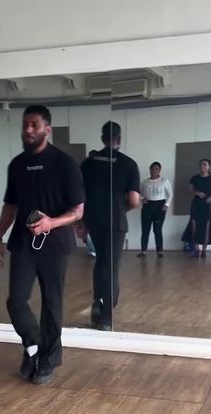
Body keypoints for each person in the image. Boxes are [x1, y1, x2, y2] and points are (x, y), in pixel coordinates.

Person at [0, 105, 84, 385]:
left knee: (52, 304)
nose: (28, 130)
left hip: (55, 245)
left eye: (34, 125)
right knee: (16, 301)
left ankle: (48, 360)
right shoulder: (17, 165)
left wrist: (51, 223)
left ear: (47, 129)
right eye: (25, 125)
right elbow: (11, 205)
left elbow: (78, 211)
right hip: (23, 244)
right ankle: (33, 345)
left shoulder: (64, 164)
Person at [81, 121, 140, 330]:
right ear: (119, 139)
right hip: (116, 221)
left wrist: (81, 223)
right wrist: (120, 209)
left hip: (93, 219)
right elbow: (134, 200)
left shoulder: (88, 164)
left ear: (102, 138)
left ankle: (98, 303)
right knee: (111, 266)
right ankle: (106, 317)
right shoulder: (129, 164)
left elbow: (79, 197)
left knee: (101, 262)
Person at [181, 158, 211, 258]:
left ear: (209, 166)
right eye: (201, 165)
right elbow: (189, 190)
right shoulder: (195, 178)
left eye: (205, 164)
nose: (202, 166)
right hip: (196, 204)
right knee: (194, 226)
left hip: (207, 205)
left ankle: (204, 250)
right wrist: (196, 192)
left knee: (207, 226)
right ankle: (196, 249)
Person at [138, 161, 173, 258]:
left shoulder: (164, 181)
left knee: (157, 230)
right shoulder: (145, 182)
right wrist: (142, 199)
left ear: (159, 170)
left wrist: (166, 205)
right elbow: (139, 193)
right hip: (147, 206)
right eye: (152, 169)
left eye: (156, 169)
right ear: (150, 170)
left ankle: (159, 251)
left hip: (160, 207)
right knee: (145, 230)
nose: (154, 171)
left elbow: (170, 194)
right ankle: (143, 251)